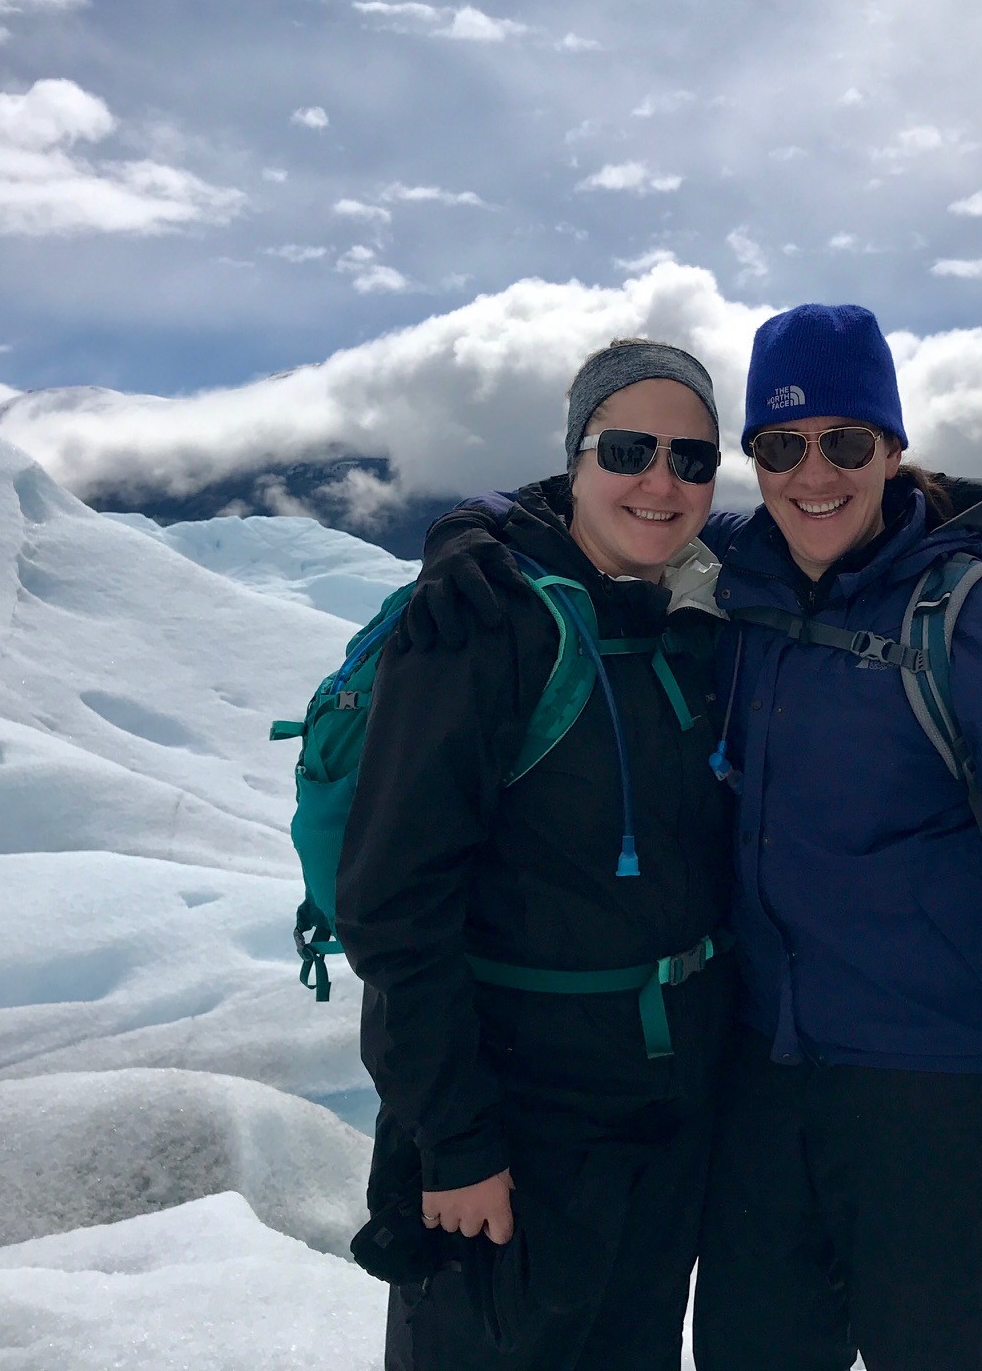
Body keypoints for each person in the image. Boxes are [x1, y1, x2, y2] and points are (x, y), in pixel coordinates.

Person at [405, 305, 982, 1370]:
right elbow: (609, 505)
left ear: (893, 452)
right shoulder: (730, 576)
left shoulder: (963, 611)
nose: (815, 473)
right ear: (754, 460)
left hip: (927, 1084)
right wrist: (472, 526)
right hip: (760, 1077)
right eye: (781, 446)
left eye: (846, 442)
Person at [336, 340, 737, 1371]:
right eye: (630, 449)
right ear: (577, 460)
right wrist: (456, 1141)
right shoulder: (484, 621)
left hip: (664, 1113)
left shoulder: (688, 618)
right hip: (519, 1125)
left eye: (692, 460)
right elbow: (392, 904)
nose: (662, 481)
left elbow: (838, 529)